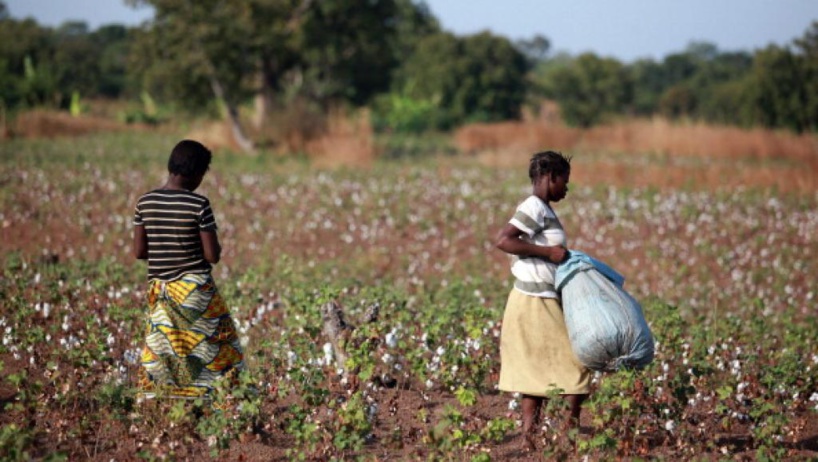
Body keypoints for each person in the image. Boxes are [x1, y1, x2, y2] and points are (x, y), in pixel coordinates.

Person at [133, 139, 244, 398]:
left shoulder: (145, 202)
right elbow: (212, 255)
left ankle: (161, 397)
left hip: (160, 289)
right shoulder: (199, 205)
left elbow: (139, 252)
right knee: (217, 346)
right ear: (197, 173)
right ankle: (220, 397)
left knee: (163, 346)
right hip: (195, 289)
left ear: (171, 166)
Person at [494, 150, 590, 451]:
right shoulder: (534, 206)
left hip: (538, 299)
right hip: (533, 301)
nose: (567, 187)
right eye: (565, 180)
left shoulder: (544, 209)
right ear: (550, 177)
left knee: (533, 370)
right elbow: (504, 240)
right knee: (577, 365)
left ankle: (530, 440)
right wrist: (549, 254)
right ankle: (567, 436)